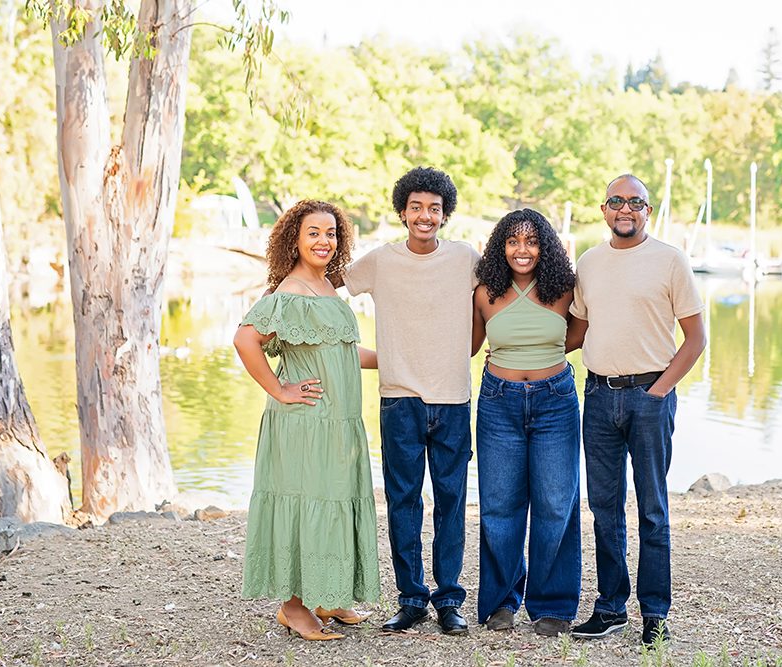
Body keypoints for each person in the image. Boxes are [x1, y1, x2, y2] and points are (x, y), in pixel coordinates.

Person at [567, 175, 706, 646]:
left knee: (652, 510)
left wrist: (660, 392)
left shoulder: (670, 260)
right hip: (599, 397)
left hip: (650, 395)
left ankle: (655, 613)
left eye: (635, 202)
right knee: (604, 508)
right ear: (603, 209)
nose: (624, 209)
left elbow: (695, 339)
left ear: (647, 210)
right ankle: (610, 609)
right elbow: (576, 332)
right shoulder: (588, 262)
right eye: (615, 201)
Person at [234, 200, 380, 642]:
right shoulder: (289, 292)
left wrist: (398, 363)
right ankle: (293, 608)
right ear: (294, 239)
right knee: (305, 505)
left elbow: (342, 352)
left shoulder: (328, 288)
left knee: (334, 499)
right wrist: (279, 390)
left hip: (339, 423)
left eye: (332, 233)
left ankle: (326, 594)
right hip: (303, 423)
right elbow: (245, 340)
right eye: (314, 232)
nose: (324, 241)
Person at [344, 167, 479, 635]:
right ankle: (411, 599)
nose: (425, 216)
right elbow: (326, 287)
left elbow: (493, 302)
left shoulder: (466, 258)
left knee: (451, 502)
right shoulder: (380, 260)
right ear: (403, 212)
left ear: (445, 215)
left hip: (453, 400)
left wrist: (469, 346)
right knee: (403, 502)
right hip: (399, 398)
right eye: (417, 207)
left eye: (434, 209)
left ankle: (448, 600)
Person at [470, 209, 581, 637]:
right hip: (499, 402)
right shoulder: (484, 292)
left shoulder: (564, 290)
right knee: (500, 505)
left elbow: (577, 335)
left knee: (557, 503)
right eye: (513, 242)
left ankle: (551, 604)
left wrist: (541, 361)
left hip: (555, 400)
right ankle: (500, 602)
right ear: (501, 247)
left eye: (531, 241)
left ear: (545, 247)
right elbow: (471, 345)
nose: (522, 250)